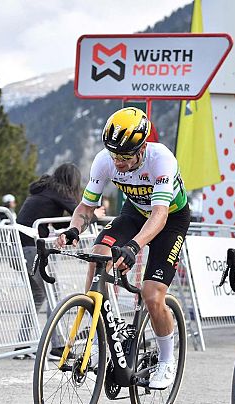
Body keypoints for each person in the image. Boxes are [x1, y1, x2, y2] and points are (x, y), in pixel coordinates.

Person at [56, 107, 190, 389]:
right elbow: (86, 207)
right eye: (114, 155)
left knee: (152, 295)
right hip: (134, 213)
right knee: (98, 253)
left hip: (170, 219)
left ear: (142, 148)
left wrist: (134, 246)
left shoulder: (161, 159)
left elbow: (160, 215)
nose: (119, 162)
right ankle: (95, 321)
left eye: (126, 156)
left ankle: (167, 360)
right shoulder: (105, 161)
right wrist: (73, 229)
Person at [14, 163, 83, 358]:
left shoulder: (45, 190)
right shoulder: (58, 191)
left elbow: (60, 220)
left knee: (38, 295)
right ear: (72, 181)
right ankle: (58, 345)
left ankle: (22, 345)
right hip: (31, 249)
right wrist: (95, 215)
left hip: (19, 248)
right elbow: (79, 213)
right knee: (54, 294)